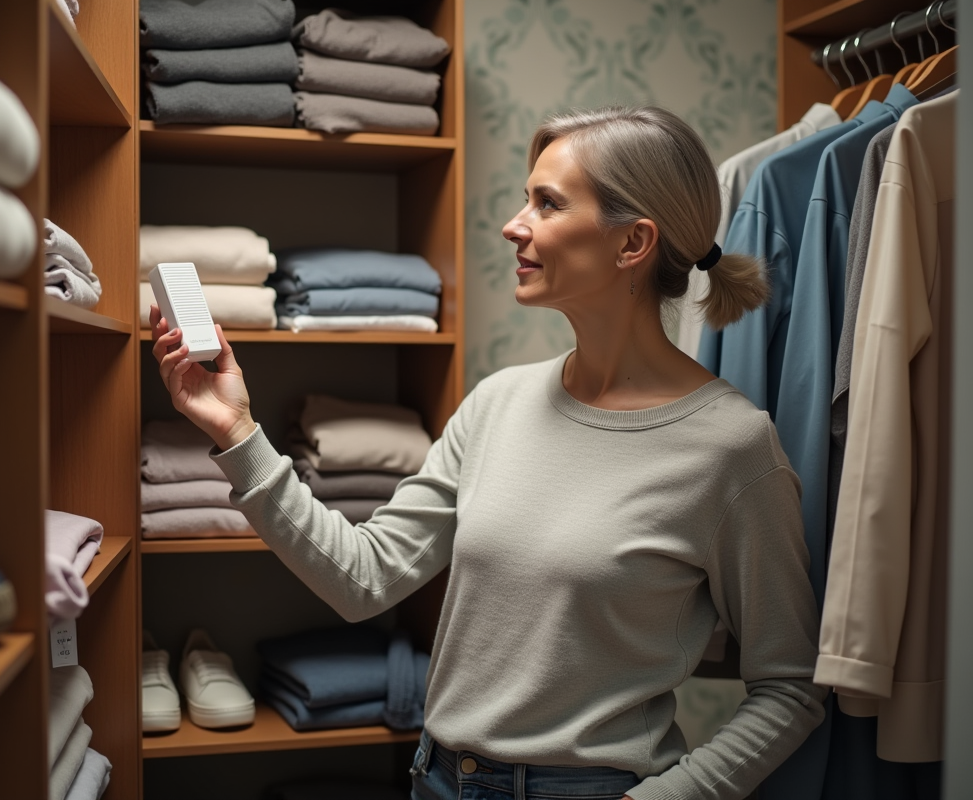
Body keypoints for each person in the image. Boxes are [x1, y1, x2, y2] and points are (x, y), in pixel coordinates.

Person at [149, 106, 825, 800]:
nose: (513, 224)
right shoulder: (496, 403)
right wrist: (237, 432)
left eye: (547, 203)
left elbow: (791, 688)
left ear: (633, 243)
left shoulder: (731, 447)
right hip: (437, 780)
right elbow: (365, 577)